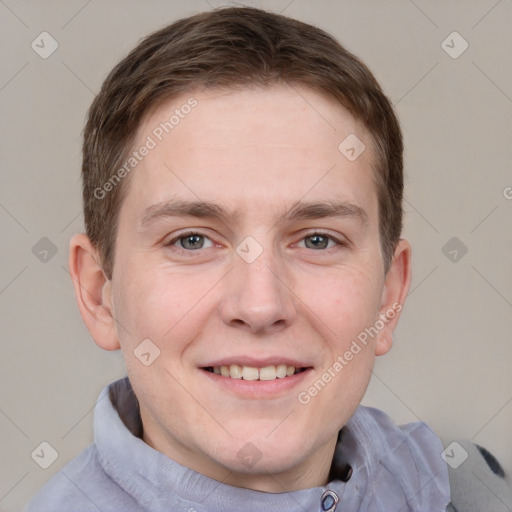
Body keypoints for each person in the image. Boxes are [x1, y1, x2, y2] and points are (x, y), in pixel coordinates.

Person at [25, 6, 510, 511]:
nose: (260, 306)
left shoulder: (467, 488)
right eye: (192, 240)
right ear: (99, 293)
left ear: (388, 296)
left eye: (318, 240)